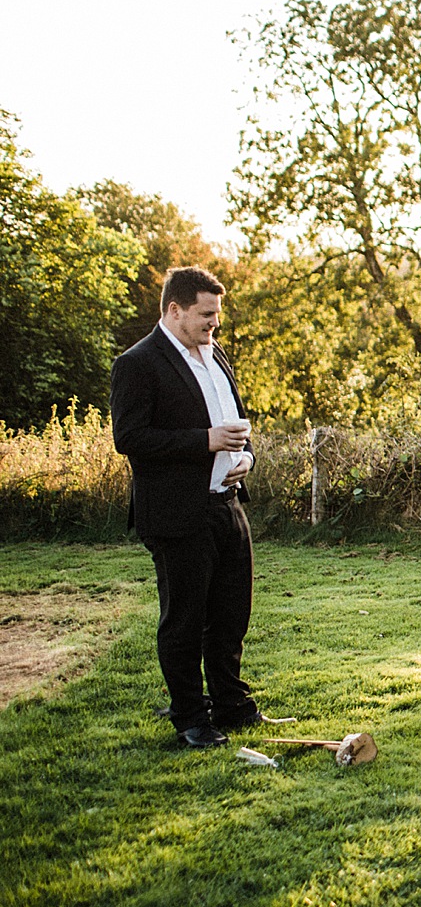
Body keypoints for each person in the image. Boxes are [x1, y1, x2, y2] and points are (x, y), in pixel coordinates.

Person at [110, 266, 272, 749]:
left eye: (217, 316)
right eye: (205, 315)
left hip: (227, 504)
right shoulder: (138, 363)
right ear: (174, 310)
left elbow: (233, 424)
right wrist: (206, 442)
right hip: (177, 513)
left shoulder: (214, 354)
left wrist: (244, 457)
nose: (213, 325)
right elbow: (130, 438)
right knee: (183, 620)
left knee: (230, 614)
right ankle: (190, 720)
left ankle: (232, 705)